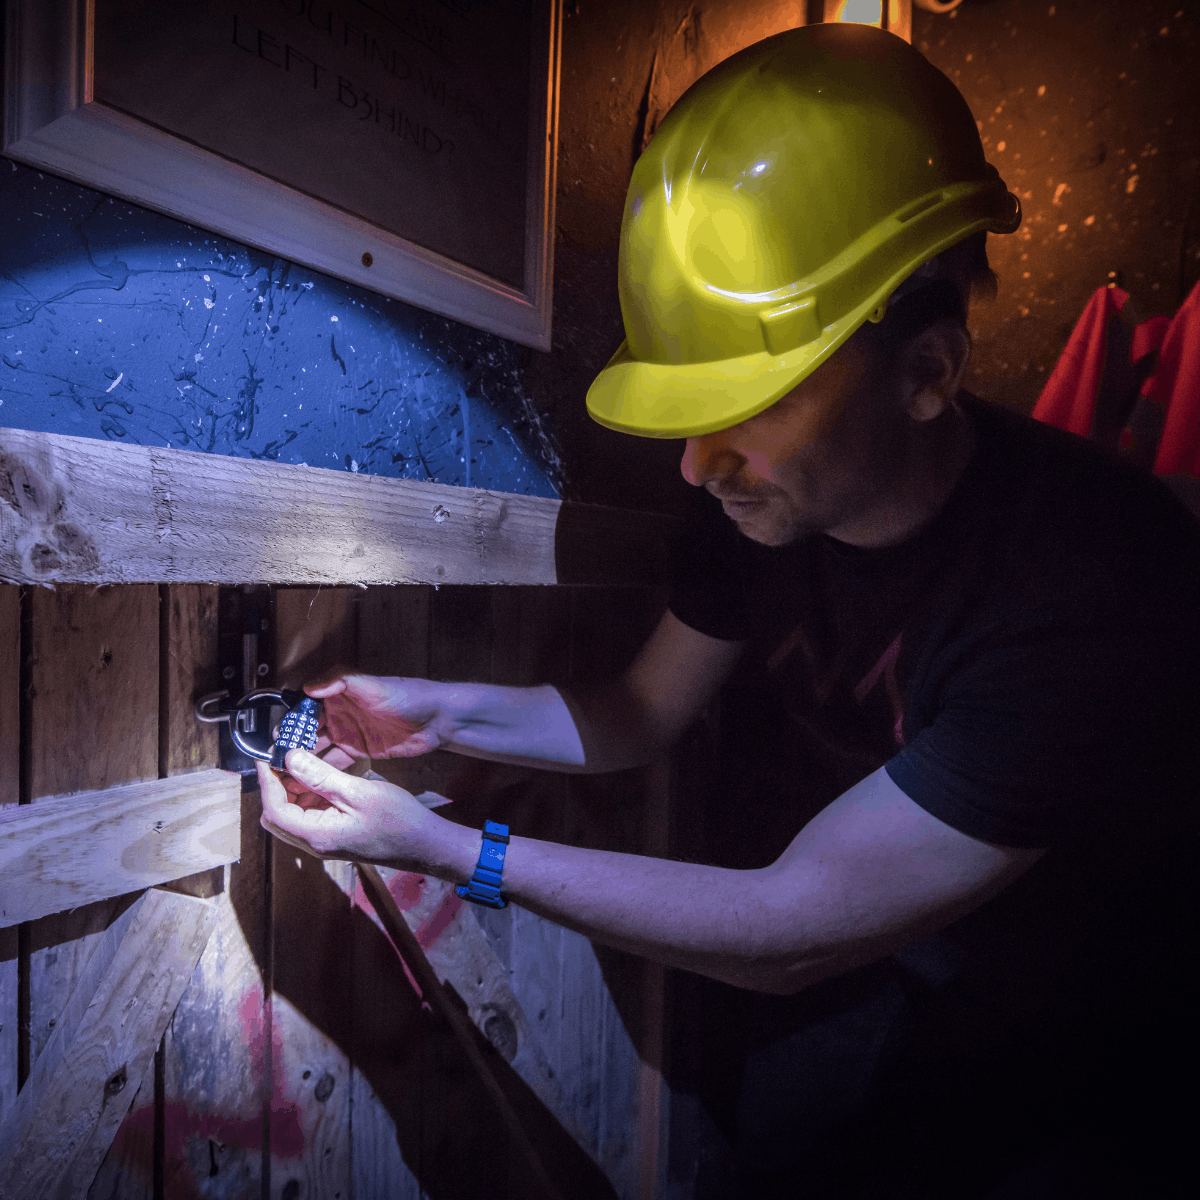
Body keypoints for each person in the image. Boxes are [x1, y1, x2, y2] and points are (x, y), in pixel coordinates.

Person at [259, 24, 1199, 1199]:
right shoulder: (762, 503)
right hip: (873, 978)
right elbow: (641, 711)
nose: (699, 468)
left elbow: (791, 928)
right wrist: (432, 711)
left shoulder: (1094, 591)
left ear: (928, 373)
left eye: (752, 406)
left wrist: (444, 850)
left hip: (1095, 1047)